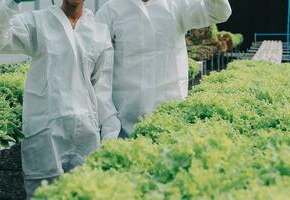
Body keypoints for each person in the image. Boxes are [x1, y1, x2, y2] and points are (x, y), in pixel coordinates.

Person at [0, 0, 121, 197]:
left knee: (85, 192)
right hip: (46, 131)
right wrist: (11, 4)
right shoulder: (39, 22)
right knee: (43, 194)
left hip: (86, 133)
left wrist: (110, 132)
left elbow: (102, 90)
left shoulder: (98, 31)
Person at [96, 0, 232, 137]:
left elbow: (219, 13)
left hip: (171, 118)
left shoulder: (177, 4)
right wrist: (109, 124)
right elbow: (100, 73)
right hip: (125, 122)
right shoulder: (111, 9)